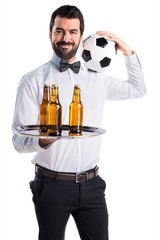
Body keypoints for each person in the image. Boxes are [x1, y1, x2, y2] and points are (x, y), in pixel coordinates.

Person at [12, 4, 146, 240]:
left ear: (81, 37)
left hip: (92, 185)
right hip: (51, 186)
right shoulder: (32, 80)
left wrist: (127, 51)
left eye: (72, 32)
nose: (66, 38)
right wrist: (42, 141)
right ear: (50, 33)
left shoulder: (97, 78)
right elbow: (18, 140)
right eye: (59, 31)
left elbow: (138, 89)